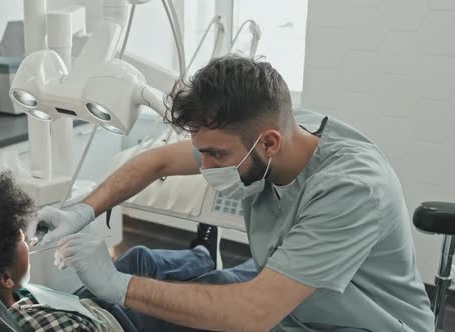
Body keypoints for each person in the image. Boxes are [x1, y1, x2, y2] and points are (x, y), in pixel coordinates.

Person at [28, 55, 435, 331]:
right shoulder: (271, 128)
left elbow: (253, 312)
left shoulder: (351, 189)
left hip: (354, 324)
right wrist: (82, 211)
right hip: (294, 311)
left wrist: (118, 285)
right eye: (202, 152)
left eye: (216, 155)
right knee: (179, 284)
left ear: (270, 143)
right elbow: (156, 162)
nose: (204, 167)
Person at [0, 167, 252, 332]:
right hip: (120, 322)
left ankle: (202, 256)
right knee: (217, 284)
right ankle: (263, 270)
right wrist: (116, 286)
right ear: (3, 276)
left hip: (80, 306)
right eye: (18, 234)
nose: (24, 232)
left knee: (138, 257)